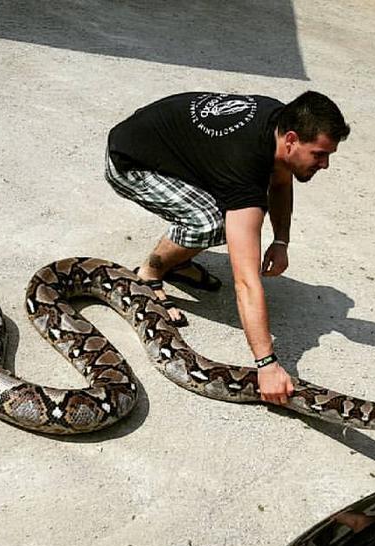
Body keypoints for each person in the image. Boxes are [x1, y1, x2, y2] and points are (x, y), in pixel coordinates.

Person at [106, 91, 349, 406]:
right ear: (291, 139)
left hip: (164, 141)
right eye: (319, 154)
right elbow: (246, 282)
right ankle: (150, 274)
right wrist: (267, 365)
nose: (325, 164)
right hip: (130, 162)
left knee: (226, 214)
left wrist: (281, 241)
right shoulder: (244, 170)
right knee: (215, 223)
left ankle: (179, 259)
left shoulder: (280, 122)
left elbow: (280, 180)